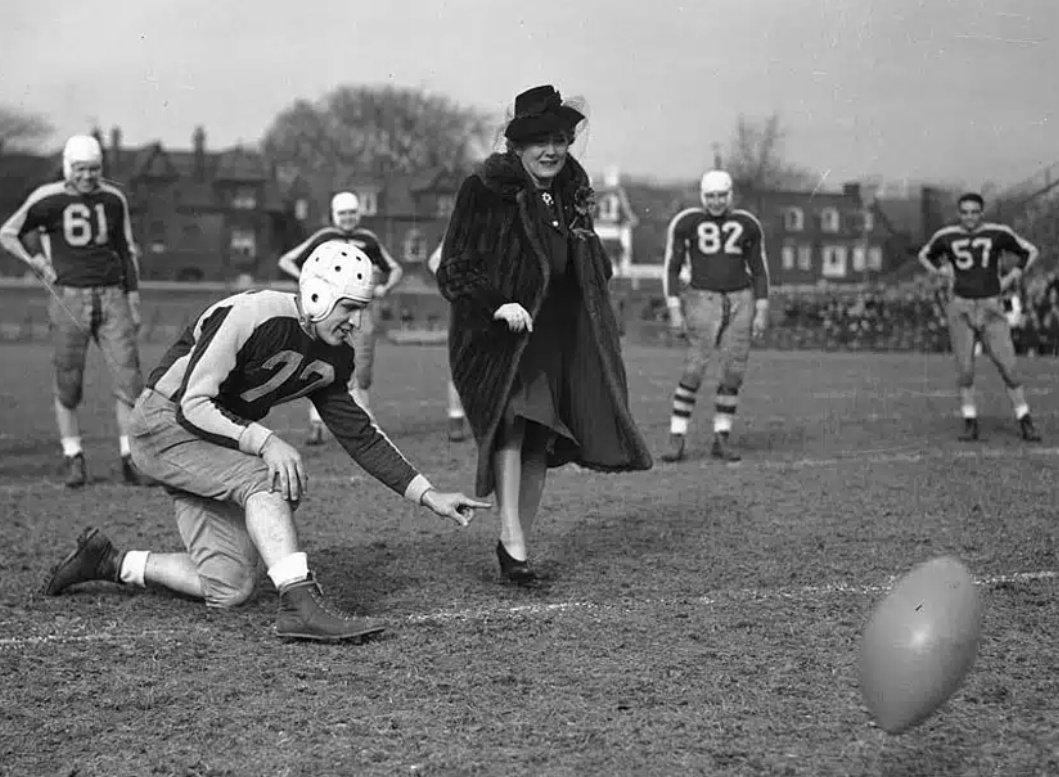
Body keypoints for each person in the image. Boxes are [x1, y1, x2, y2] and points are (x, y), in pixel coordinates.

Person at [43, 240, 488, 643]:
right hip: (163, 426)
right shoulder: (254, 314)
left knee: (230, 586)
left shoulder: (335, 355)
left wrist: (427, 494)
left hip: (211, 442)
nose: (358, 322)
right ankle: (300, 606)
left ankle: (109, 563)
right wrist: (264, 440)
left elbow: (360, 433)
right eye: (350, 308)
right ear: (319, 295)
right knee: (270, 476)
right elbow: (192, 404)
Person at [436, 84, 653, 587]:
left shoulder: (574, 189)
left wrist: (592, 260)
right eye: (539, 140)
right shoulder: (484, 189)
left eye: (559, 139)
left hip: (560, 330)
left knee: (540, 437)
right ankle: (512, 542)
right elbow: (455, 269)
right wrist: (500, 303)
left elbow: (587, 260)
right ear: (516, 146)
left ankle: (516, 542)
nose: (552, 150)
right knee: (515, 422)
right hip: (503, 335)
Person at [0, 134, 149, 487]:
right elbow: (8, 233)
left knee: (129, 379)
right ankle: (73, 455)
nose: (87, 176)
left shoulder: (112, 199)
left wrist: (133, 297)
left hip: (112, 295)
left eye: (94, 169)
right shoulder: (47, 198)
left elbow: (126, 250)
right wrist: (35, 261)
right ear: (69, 167)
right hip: (69, 297)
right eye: (81, 169)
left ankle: (131, 458)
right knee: (69, 382)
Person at [660, 170, 770, 464]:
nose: (717, 201)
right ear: (702, 196)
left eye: (722, 195)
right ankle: (677, 436)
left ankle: (722, 436)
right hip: (702, 298)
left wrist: (761, 308)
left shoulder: (747, 223)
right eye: (711, 195)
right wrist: (674, 308)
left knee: (734, 371)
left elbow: (760, 269)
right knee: (695, 369)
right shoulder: (687, 222)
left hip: (741, 299)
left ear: (730, 194)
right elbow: (672, 267)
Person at [277, 191, 403, 442]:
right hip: (327, 312)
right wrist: (310, 281)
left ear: (359, 213)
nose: (348, 217)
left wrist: (384, 288)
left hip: (361, 311)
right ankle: (317, 424)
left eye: (352, 212)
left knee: (362, 368)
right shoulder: (325, 238)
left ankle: (366, 421)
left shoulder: (368, 239)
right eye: (343, 213)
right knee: (322, 363)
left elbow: (395, 268)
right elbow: (286, 261)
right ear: (335, 214)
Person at [917, 193, 1041, 442]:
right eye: (965, 212)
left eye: (974, 211)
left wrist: (1010, 277)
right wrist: (942, 273)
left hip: (990, 305)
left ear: (981, 212)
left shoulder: (997, 232)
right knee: (965, 368)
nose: (970, 216)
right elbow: (924, 254)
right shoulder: (946, 235)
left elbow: (1030, 251)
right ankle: (970, 422)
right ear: (959, 213)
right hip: (960, 306)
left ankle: (1025, 419)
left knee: (1008, 366)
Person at [427, 240, 468, 443]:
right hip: (465, 307)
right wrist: (454, 284)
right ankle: (456, 419)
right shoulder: (461, 225)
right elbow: (435, 260)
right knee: (460, 365)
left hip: (498, 305)